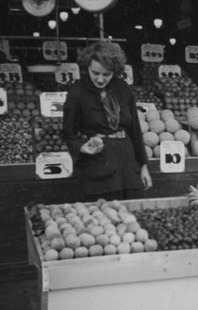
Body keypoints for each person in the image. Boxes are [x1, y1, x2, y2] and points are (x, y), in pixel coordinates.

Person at [61, 41, 152, 201]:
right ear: (87, 67)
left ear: (114, 71)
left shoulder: (124, 88)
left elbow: (135, 130)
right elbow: (68, 134)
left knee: (133, 216)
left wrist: (143, 166)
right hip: (98, 165)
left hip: (128, 165)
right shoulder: (77, 92)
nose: (101, 79)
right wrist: (82, 147)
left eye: (107, 74)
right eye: (95, 73)